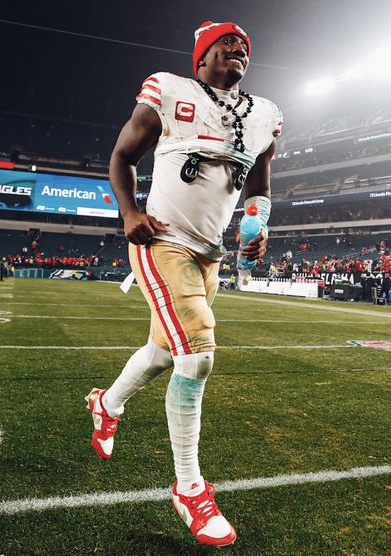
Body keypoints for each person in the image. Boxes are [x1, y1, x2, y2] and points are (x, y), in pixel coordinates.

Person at [85, 20, 282, 547]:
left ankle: (107, 404)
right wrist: (128, 212)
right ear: (201, 56)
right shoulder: (169, 90)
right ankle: (189, 487)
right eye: (226, 43)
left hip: (210, 254)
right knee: (197, 353)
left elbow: (259, 187)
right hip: (162, 241)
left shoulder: (265, 114)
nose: (238, 49)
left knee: (162, 352)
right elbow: (123, 157)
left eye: (244, 45)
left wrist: (257, 227)